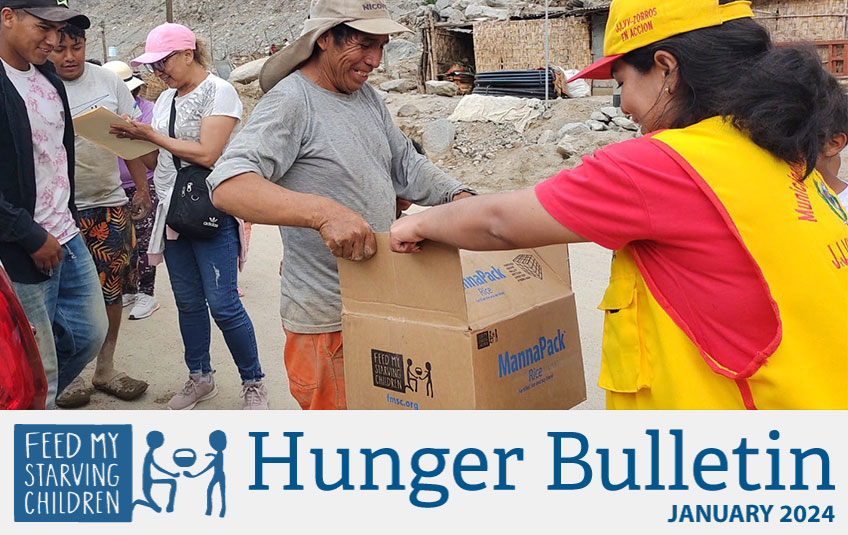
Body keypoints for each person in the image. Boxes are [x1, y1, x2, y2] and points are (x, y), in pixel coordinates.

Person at [390, 0, 848, 410]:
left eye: (622, 80)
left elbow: (498, 223)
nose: (624, 103)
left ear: (667, 68)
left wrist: (420, 223)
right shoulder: (783, 150)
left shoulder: (666, 166)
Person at [206, 0, 474, 410]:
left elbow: (406, 163)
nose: (376, 60)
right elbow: (227, 184)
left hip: (380, 301)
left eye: (382, 46)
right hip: (327, 320)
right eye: (365, 44)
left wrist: (461, 198)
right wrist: (324, 213)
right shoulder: (292, 100)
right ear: (325, 39)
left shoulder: (365, 97)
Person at [110, 23, 268, 410]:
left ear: (188, 53)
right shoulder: (164, 100)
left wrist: (152, 136)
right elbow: (160, 159)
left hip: (208, 208)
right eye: (153, 65)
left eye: (164, 61)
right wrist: (126, 140)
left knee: (224, 303)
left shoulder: (220, 92)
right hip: (171, 210)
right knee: (188, 302)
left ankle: (254, 382)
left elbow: (208, 153)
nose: (158, 71)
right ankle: (200, 377)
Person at [0, 0, 107, 409]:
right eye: (43, 28)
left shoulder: (47, 76)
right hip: (19, 245)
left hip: (66, 231)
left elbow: (56, 157)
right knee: (36, 362)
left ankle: (27, 399)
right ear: (8, 17)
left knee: (89, 334)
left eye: (58, 31)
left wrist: (67, 218)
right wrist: (29, 235)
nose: (53, 41)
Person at [49, 24, 150, 407]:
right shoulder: (39, 84)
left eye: (76, 47)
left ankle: (105, 367)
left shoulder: (109, 82)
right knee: (61, 295)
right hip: (58, 211)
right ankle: (67, 373)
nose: (69, 56)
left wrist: (140, 188)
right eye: (60, 49)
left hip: (108, 201)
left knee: (113, 289)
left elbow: (132, 140)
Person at [103, 60, 161, 321]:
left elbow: (150, 157)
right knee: (124, 243)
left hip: (144, 182)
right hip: (113, 186)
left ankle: (147, 293)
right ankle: (130, 289)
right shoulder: (101, 116)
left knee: (145, 240)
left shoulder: (147, 112)